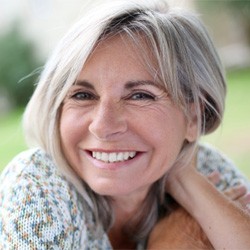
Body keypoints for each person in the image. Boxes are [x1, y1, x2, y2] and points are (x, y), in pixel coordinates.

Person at [0, 0, 250, 249]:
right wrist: (172, 243)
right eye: (83, 95)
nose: (102, 126)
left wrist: (186, 182)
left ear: (193, 118)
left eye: (140, 95)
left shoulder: (207, 169)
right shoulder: (38, 184)